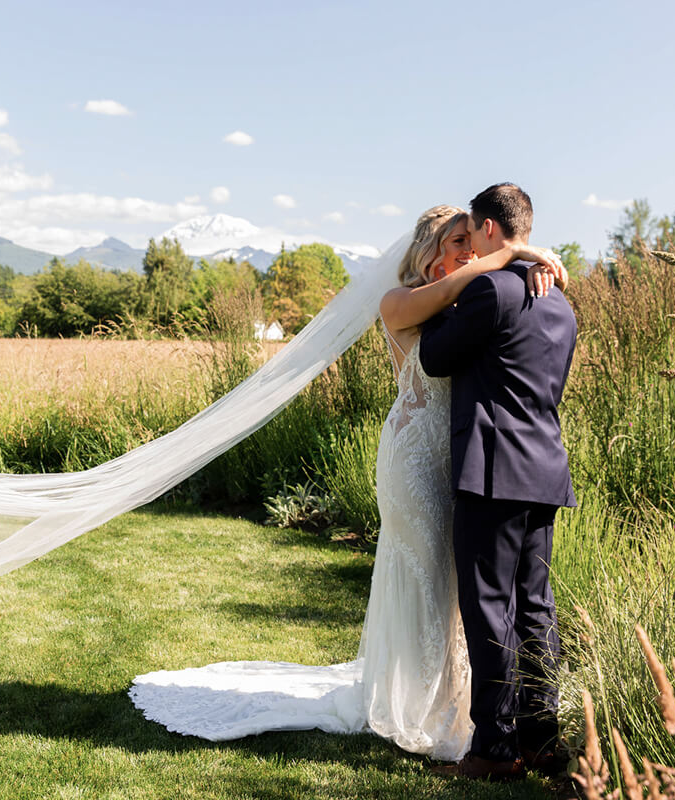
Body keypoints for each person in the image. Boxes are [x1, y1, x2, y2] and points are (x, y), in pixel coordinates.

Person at [128, 204, 566, 762]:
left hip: (461, 456)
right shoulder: (401, 301)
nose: (465, 250)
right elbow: (465, 293)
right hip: (414, 459)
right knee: (426, 570)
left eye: (469, 240)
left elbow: (493, 317)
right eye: (454, 241)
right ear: (428, 250)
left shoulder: (472, 296)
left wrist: (523, 269)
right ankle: (417, 705)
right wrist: (513, 253)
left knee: (457, 586)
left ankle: (458, 701)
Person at [419, 184, 578, 781]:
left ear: (488, 230)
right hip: (544, 469)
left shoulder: (488, 289)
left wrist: (456, 291)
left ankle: (493, 748)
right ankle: (541, 739)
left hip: (491, 471)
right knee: (535, 607)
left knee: (488, 608)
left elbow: (434, 355)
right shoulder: (561, 302)